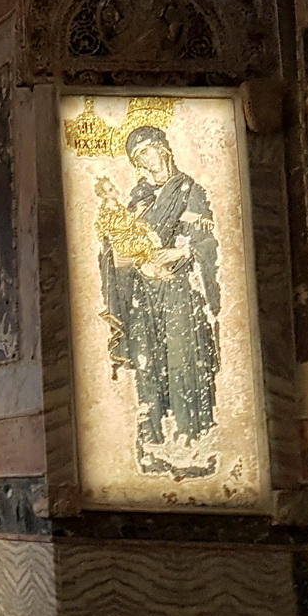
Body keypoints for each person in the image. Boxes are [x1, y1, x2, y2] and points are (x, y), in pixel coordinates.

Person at [95, 124, 221, 471]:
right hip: (142, 295)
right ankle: (154, 446)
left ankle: (192, 445)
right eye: (137, 158)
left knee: (182, 364)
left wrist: (177, 254)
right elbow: (123, 243)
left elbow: (206, 242)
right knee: (148, 364)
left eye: (147, 152)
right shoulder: (139, 197)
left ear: (164, 148)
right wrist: (114, 248)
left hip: (178, 291)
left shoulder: (188, 190)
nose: (144, 162)